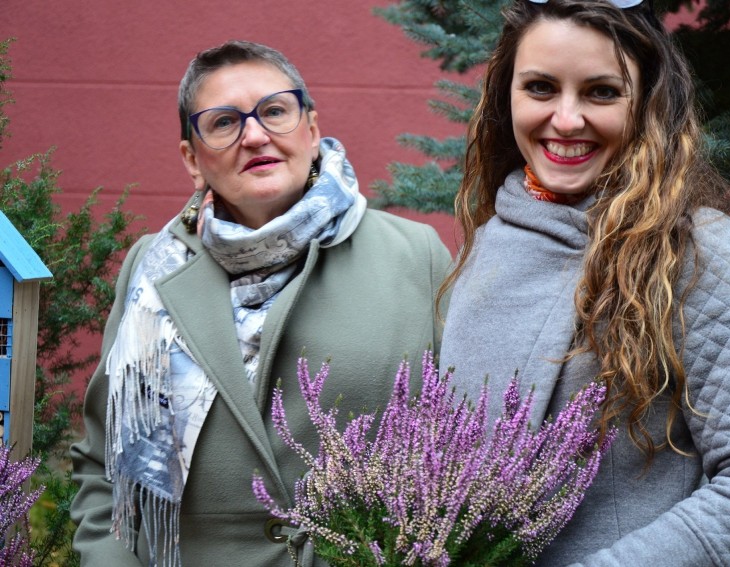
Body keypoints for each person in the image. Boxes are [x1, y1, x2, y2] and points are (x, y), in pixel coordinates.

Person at [438, 1, 730, 565]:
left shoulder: (689, 246)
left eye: (601, 92)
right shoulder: (488, 240)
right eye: (540, 88)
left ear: (647, 103)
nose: (566, 120)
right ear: (504, 97)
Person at [70, 40, 451, 566]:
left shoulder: (415, 255)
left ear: (312, 131)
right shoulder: (152, 274)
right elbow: (103, 465)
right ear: (192, 159)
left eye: (275, 111)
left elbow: (464, 443)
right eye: (224, 122)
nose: (254, 135)